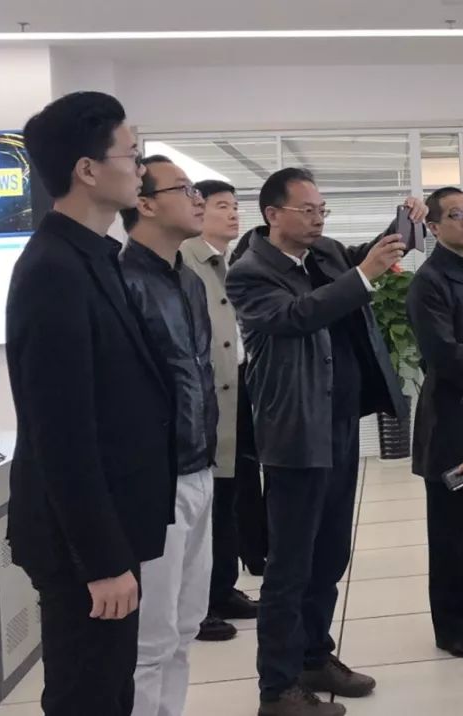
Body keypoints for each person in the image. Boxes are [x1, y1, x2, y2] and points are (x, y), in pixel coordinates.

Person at [226, 168, 425, 716]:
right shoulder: (249, 272)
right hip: (295, 433)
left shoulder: (327, 252)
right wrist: (365, 273)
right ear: (273, 214)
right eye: (307, 210)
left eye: (322, 210)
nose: (318, 219)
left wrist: (404, 223)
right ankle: (277, 688)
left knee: (330, 553)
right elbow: (299, 316)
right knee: (290, 565)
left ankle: (314, 655)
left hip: (339, 425)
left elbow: (369, 256)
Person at [6, 92, 173, 716]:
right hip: (82, 548)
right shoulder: (54, 270)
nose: (141, 169)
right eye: (131, 155)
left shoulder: (94, 256)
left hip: (111, 527)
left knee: (111, 690)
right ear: (87, 170)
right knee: (88, 697)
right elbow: (61, 433)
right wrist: (102, 562)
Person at [119, 156, 219, 716]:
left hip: (199, 467)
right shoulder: (122, 281)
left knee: (185, 626)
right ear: (146, 203)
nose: (198, 199)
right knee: (150, 639)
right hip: (155, 481)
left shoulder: (189, 279)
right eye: (185, 189)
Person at [406, 187, 463, 660]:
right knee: (451, 531)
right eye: (455, 215)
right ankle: (451, 625)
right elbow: (443, 352)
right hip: (451, 420)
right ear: (434, 226)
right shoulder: (430, 280)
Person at [182, 179, 261, 644]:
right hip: (208, 401)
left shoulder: (227, 261)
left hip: (238, 390)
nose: (233, 214)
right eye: (221, 206)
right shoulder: (188, 262)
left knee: (232, 496)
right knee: (206, 506)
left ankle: (223, 587)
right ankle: (201, 604)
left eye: (235, 206)